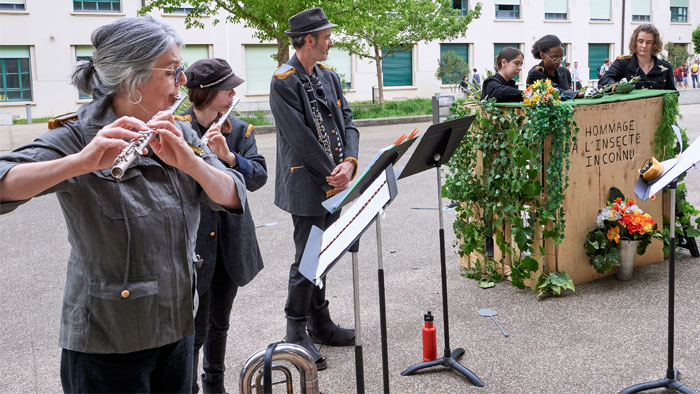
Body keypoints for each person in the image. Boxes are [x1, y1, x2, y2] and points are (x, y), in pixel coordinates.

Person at [0, 16, 246, 393]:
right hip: (108, 341)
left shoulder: (176, 129)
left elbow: (232, 195)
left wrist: (192, 164)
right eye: (173, 71)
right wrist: (81, 162)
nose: (183, 82)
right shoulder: (79, 135)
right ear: (133, 79)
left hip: (177, 326)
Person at [269, 7, 359, 371]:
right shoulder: (283, 80)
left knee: (323, 254)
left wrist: (350, 163)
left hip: (337, 178)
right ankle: (295, 329)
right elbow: (300, 139)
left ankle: (319, 321)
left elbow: (349, 122)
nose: (331, 42)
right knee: (307, 257)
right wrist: (333, 174)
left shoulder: (329, 76)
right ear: (309, 40)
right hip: (308, 184)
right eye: (326, 37)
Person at [183, 58, 267, 394]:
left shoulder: (240, 130)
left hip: (231, 240)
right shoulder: (177, 128)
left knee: (220, 322)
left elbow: (259, 176)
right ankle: (187, 386)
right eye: (226, 90)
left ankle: (214, 383)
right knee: (195, 327)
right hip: (195, 243)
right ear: (205, 93)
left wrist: (230, 158)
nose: (233, 94)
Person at [599, 24, 675, 90]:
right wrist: (618, 87)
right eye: (640, 41)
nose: (644, 46)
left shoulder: (665, 67)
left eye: (649, 42)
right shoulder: (622, 63)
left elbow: (672, 94)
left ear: (654, 44)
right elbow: (604, 81)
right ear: (635, 42)